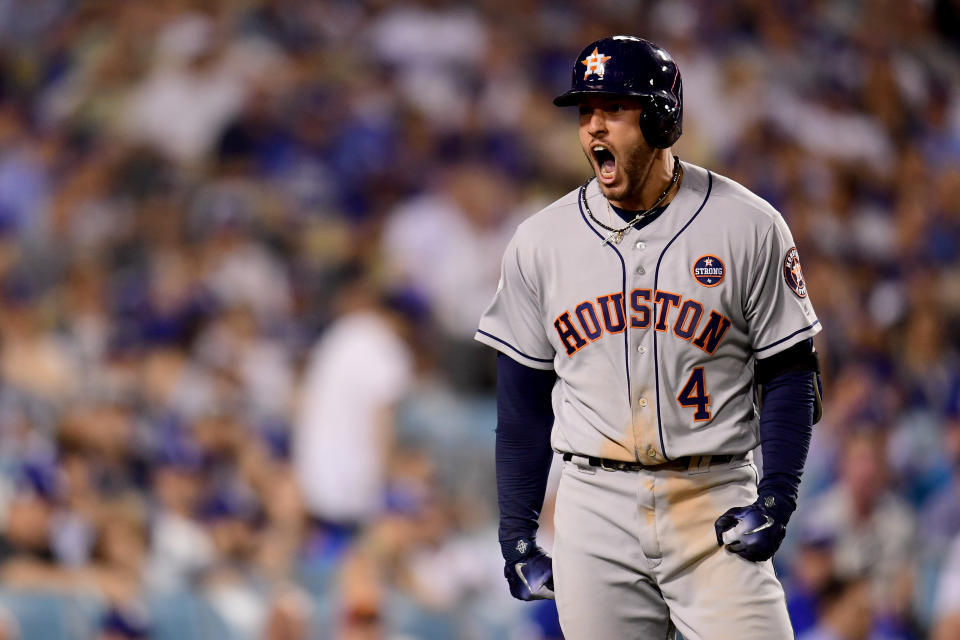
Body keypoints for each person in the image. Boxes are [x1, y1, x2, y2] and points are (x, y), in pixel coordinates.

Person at [475, 35, 822, 638]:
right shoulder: (541, 242)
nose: (593, 128)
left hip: (710, 495)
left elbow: (791, 371)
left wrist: (777, 497)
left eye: (612, 108)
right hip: (594, 504)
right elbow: (522, 404)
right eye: (585, 113)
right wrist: (517, 533)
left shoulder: (747, 224)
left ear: (662, 118)